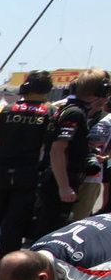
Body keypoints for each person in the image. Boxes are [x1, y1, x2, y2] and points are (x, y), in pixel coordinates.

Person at [0, 70, 55, 280]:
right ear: (48, 90)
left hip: (0, 170)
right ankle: (6, 274)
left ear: (25, 88)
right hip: (28, 172)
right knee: (14, 225)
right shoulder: (51, 112)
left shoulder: (3, 110)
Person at [34, 69, 111, 239]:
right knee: (61, 233)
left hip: (69, 179)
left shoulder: (68, 109)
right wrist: (64, 186)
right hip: (62, 180)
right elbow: (57, 150)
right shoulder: (74, 112)